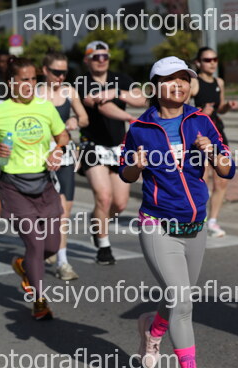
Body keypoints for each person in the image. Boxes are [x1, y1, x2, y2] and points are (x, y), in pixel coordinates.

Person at [120, 56, 235, 368]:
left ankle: (151, 329)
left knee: (177, 297)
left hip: (195, 225)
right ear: (155, 86)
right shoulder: (140, 128)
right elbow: (125, 172)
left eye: (184, 79)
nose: (179, 85)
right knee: (182, 302)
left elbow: (227, 169)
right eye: (171, 79)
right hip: (158, 225)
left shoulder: (201, 121)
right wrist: (135, 166)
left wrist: (212, 152)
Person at [0, 57, 68, 319]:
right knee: (36, 243)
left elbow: (62, 135)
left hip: (44, 183)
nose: (30, 84)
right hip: (14, 186)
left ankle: (24, 265)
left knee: (52, 246)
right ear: (11, 82)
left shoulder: (46, 108)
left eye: (33, 79)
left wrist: (58, 150)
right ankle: (39, 301)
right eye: (24, 80)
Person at [76, 40, 147, 265]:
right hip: (92, 145)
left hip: (118, 147)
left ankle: (97, 221)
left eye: (104, 56)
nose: (101, 60)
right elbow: (100, 105)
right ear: (87, 60)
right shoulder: (81, 82)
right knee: (104, 197)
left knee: (120, 203)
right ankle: (104, 246)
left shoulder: (120, 79)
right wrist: (128, 117)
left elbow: (142, 99)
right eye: (95, 57)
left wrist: (116, 92)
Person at [37, 50, 89, 280]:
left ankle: (62, 262)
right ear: (44, 70)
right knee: (45, 210)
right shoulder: (35, 94)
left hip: (65, 156)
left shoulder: (69, 91)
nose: (60, 77)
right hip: (40, 157)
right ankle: (49, 245)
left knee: (64, 210)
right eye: (56, 72)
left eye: (64, 73)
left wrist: (75, 119)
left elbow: (85, 117)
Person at [190, 47, 238, 238]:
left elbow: (220, 108)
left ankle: (213, 221)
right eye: (207, 60)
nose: (212, 63)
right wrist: (201, 112)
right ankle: (198, 218)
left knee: (222, 179)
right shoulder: (194, 83)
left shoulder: (219, 82)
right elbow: (182, 108)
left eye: (214, 59)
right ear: (198, 62)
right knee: (202, 178)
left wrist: (227, 106)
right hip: (199, 134)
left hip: (217, 132)